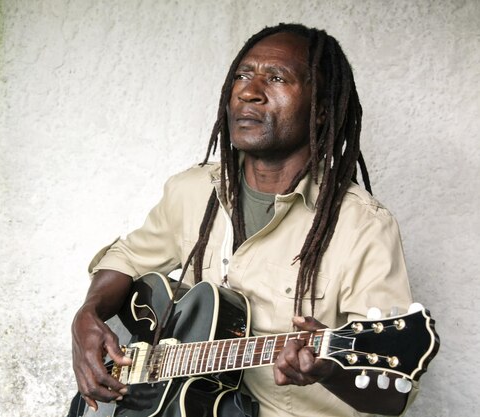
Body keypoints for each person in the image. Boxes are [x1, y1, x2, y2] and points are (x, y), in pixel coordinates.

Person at [71, 23, 416, 417]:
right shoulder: (192, 190)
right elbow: (126, 258)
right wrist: (88, 314)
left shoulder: (362, 226)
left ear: (321, 111)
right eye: (242, 75)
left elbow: (393, 394)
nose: (248, 91)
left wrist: (328, 371)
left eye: (276, 78)